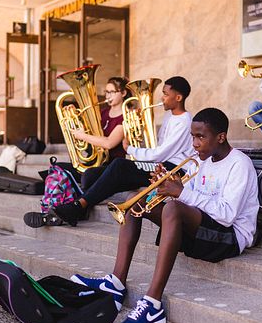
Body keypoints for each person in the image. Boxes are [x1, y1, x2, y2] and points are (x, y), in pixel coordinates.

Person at [70, 107, 259, 323]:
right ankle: (116, 282)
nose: (195, 143)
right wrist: (165, 185)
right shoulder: (201, 161)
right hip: (202, 231)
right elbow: (188, 198)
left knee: (173, 208)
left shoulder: (239, 163)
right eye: (192, 136)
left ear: (221, 137)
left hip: (228, 238)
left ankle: (152, 305)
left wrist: (179, 194)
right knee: (134, 201)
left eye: (201, 137)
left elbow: (226, 214)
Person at [52, 76, 195, 226]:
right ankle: (81, 207)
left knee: (120, 165)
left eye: (166, 94)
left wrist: (130, 149)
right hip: (161, 164)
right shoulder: (169, 117)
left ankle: (78, 206)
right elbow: (158, 150)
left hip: (174, 170)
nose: (161, 97)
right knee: (91, 175)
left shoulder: (185, 121)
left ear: (178, 97)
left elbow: (161, 154)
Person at [23, 76, 131, 228]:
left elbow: (109, 143)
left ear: (124, 93)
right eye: (106, 92)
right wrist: (76, 119)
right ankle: (49, 209)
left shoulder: (126, 116)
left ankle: (66, 211)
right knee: (57, 169)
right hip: (97, 161)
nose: (108, 96)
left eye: (112, 92)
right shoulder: (103, 113)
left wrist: (83, 135)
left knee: (88, 176)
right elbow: (91, 139)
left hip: (113, 165)